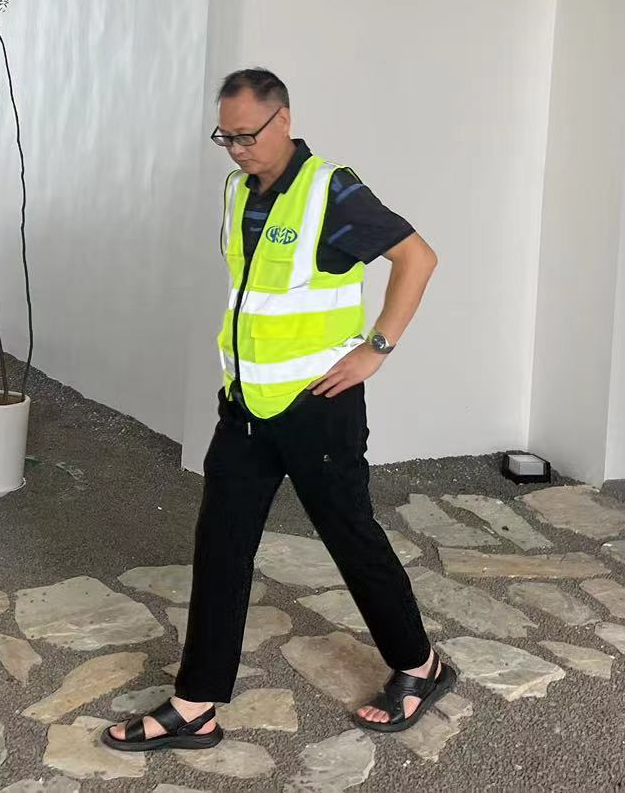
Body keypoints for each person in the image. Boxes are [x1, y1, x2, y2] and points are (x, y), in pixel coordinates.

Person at [105, 68, 451, 753]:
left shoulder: (331, 189)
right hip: (245, 407)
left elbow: (418, 257)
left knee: (351, 537)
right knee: (221, 546)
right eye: (225, 138)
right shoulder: (237, 191)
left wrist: (376, 348)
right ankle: (195, 704)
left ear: (283, 120)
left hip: (318, 407)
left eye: (247, 136)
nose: (236, 150)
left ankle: (421, 665)